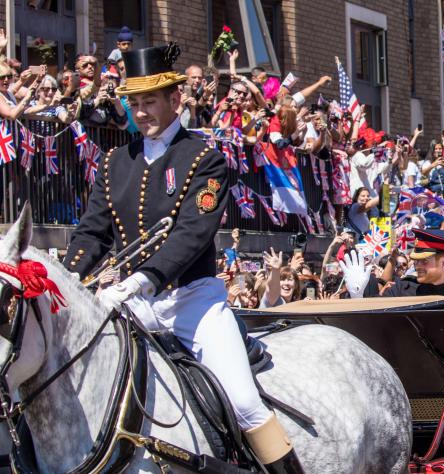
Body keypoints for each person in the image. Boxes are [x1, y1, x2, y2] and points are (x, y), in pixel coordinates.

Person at [60, 44, 303, 471]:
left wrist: (143, 278)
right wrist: (62, 282)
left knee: (245, 402)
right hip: (134, 306)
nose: (141, 112)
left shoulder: (204, 158)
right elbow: (92, 232)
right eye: (134, 104)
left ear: (175, 100)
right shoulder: (115, 161)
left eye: (149, 101)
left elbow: (194, 231)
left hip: (193, 302)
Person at [341, 228, 444, 298]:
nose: (417, 265)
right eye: (416, 260)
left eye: (424, 261)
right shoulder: (402, 290)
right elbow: (372, 318)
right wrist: (357, 295)